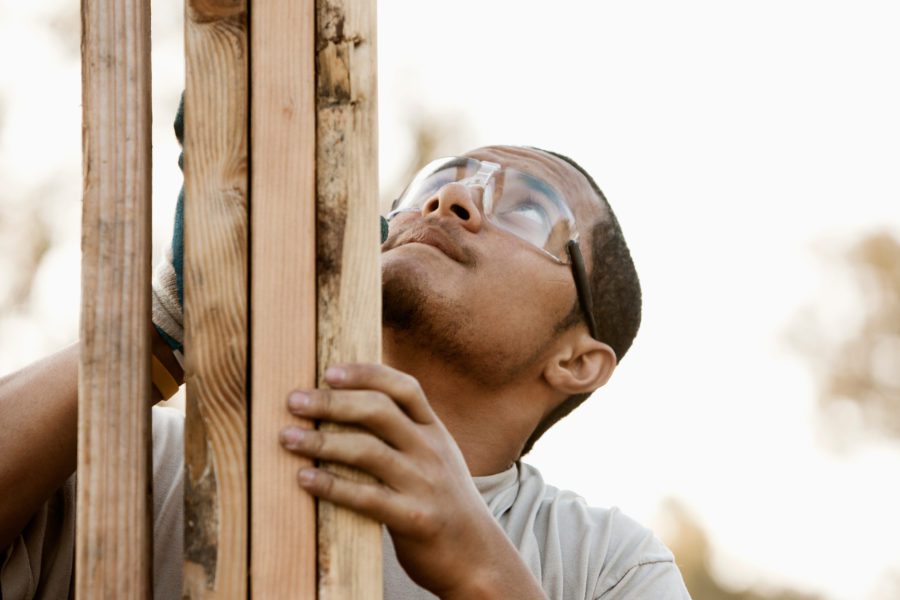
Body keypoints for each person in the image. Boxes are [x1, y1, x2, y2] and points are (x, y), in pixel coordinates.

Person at [0, 99, 691, 599]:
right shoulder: (149, 464)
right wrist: (165, 329)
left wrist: (479, 569)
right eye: (436, 182)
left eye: (532, 209)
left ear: (577, 361)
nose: (451, 198)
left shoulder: (607, 564)